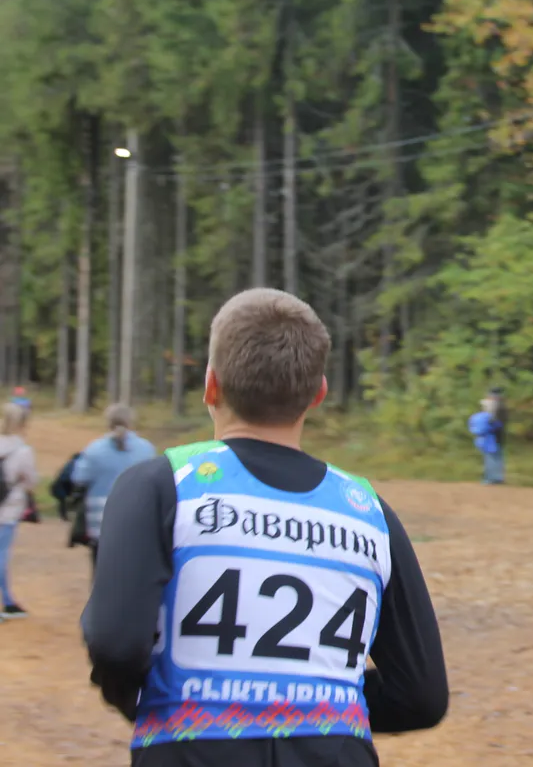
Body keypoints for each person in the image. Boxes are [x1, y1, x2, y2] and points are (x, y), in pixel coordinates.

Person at [82, 288, 448, 767]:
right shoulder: (369, 511)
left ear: (211, 385)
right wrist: (322, 702)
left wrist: (144, 699)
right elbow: (422, 696)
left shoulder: (160, 485)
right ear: (317, 393)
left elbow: (114, 642)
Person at [72, 405, 157, 574]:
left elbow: (78, 478)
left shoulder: (94, 449)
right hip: (137, 520)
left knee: (100, 573)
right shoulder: (146, 449)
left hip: (100, 522)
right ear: (131, 422)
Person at [0, 401, 37, 620]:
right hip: (9, 510)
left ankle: (9, 600)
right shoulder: (23, 450)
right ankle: (7, 603)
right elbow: (32, 481)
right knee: (2, 555)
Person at [468, 395, 505, 485]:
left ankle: (491, 478)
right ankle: (492, 478)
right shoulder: (488, 417)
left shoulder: (475, 416)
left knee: (488, 459)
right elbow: (498, 425)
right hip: (490, 440)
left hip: (481, 439)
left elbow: (472, 427)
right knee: (492, 459)